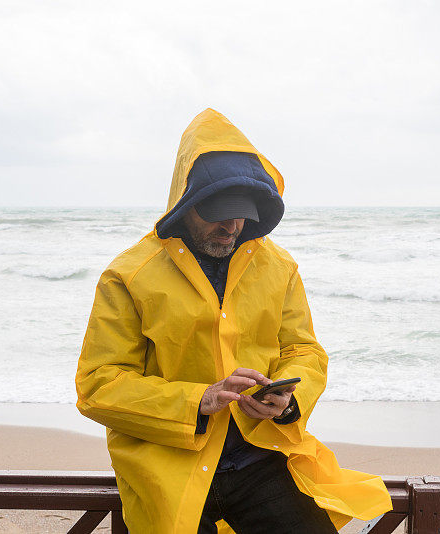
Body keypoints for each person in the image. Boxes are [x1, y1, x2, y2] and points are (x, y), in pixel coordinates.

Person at [75, 108, 391, 533]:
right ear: (185, 204)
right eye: (218, 212)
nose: (231, 226)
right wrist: (198, 401)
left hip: (263, 458)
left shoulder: (279, 267)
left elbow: (304, 351)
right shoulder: (129, 275)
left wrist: (287, 401)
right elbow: (98, 383)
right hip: (168, 466)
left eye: (242, 212)